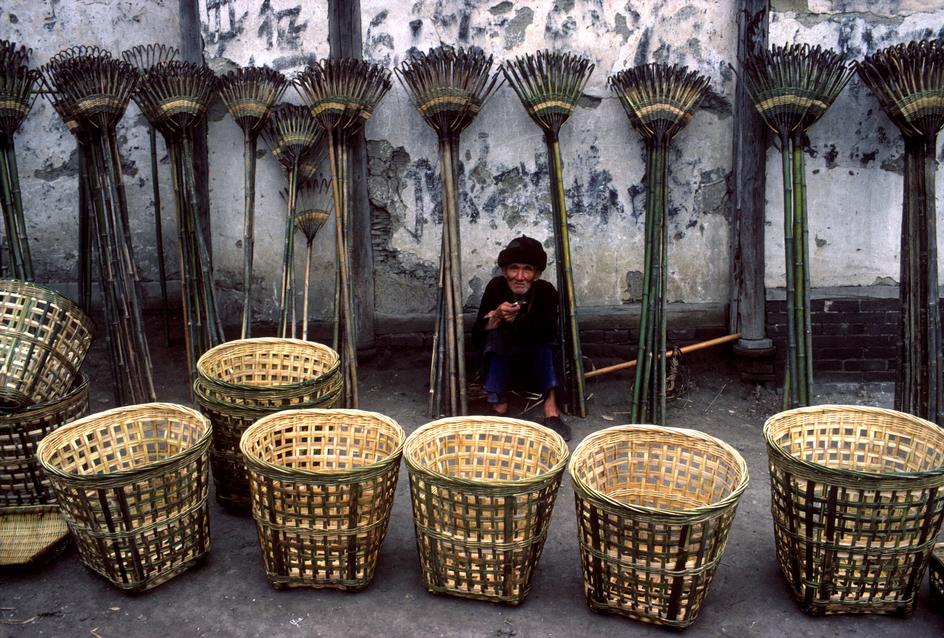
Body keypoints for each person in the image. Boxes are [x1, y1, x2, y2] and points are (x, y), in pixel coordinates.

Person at [472, 236, 571, 441]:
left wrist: (518, 320)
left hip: (536, 367)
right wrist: (496, 318)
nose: (519, 276)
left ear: (537, 274)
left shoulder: (546, 291)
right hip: (503, 365)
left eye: (527, 269)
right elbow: (476, 337)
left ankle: (551, 410)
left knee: (547, 345)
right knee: (496, 336)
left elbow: (547, 332)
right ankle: (499, 404)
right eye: (513, 268)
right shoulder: (495, 288)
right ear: (504, 271)